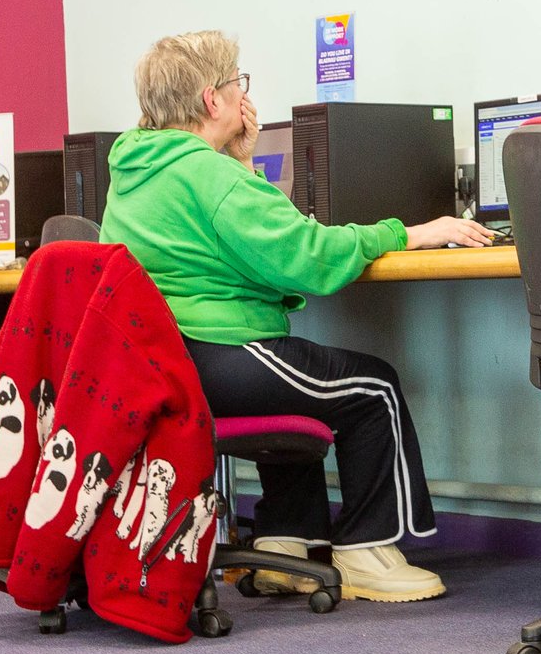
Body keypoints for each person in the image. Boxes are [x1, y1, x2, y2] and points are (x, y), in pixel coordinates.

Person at [99, 32, 492, 602]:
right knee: (371, 387)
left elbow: (238, 243)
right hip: (220, 352)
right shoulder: (209, 176)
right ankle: (367, 552)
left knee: (293, 380)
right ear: (213, 100)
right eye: (239, 83)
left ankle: (287, 544)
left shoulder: (136, 170)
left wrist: (236, 159)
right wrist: (408, 232)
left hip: (169, 364)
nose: (244, 94)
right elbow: (304, 257)